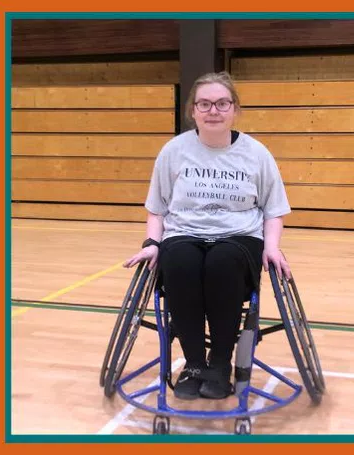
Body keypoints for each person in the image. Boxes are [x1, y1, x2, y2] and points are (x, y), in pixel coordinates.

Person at [123, 71, 292, 400]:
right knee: (182, 262)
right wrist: (152, 243)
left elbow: (274, 210)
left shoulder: (257, 154)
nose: (213, 110)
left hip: (238, 238)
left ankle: (219, 363)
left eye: (222, 103)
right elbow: (157, 209)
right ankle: (194, 364)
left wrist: (272, 247)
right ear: (193, 110)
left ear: (234, 109)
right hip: (184, 233)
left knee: (222, 262)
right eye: (205, 103)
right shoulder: (174, 151)